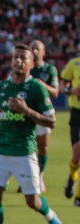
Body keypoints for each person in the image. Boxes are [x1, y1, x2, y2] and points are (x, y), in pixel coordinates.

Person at [0, 44, 65, 224]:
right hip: (1, 147)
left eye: (23, 58)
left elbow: (52, 120)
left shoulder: (36, 88)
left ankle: (50, 215)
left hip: (24, 150)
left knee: (32, 201)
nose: (18, 61)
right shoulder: (2, 86)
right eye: (16, 57)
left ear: (31, 63)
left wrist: (26, 110)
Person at [23, 40, 59, 193]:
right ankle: (27, 178)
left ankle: (39, 177)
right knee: (26, 147)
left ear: (43, 52)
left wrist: (41, 84)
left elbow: (56, 92)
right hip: (27, 114)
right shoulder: (26, 69)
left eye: (37, 48)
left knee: (43, 148)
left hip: (43, 113)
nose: (35, 51)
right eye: (32, 48)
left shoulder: (49, 69)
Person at [60, 50, 80, 206]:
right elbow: (63, 86)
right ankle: (73, 176)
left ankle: (79, 197)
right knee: (77, 155)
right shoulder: (74, 64)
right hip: (77, 113)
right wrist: (71, 91)